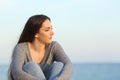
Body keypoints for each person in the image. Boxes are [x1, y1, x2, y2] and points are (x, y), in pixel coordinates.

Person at [8, 14, 72, 80]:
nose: (52, 33)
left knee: (59, 65)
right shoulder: (21, 48)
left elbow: (68, 64)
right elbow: (17, 73)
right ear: (36, 33)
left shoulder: (54, 46)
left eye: (51, 29)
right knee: (30, 66)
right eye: (47, 30)